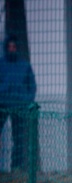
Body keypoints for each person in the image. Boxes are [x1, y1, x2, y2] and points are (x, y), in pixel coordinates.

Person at [0, 35, 37, 171]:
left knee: (19, 139)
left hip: (19, 107)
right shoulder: (1, 64)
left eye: (14, 47)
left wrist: (26, 101)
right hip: (2, 106)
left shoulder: (24, 66)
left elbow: (32, 86)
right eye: (9, 47)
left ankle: (16, 167)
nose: (11, 49)